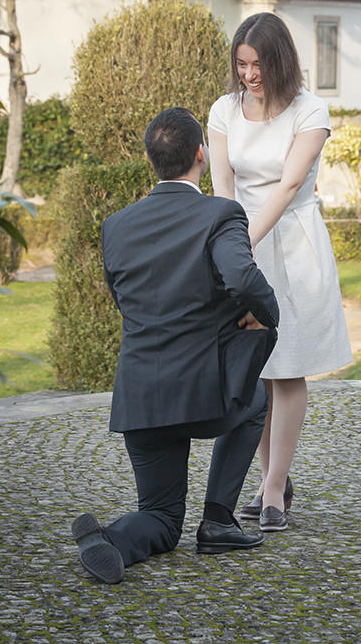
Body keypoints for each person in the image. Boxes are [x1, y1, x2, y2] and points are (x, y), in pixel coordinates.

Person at [71, 107, 279, 583]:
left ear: (151, 160)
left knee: (162, 518)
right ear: (201, 155)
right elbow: (243, 278)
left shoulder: (116, 226)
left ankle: (112, 540)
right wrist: (266, 317)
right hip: (206, 395)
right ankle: (218, 520)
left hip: (140, 396)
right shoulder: (220, 213)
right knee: (256, 400)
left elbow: (125, 298)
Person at [208, 12, 352, 533]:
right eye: (241, 64)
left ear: (280, 61)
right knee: (254, 369)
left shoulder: (310, 111)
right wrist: (229, 244)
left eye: (258, 64)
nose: (249, 74)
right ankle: (275, 475)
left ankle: (272, 490)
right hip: (242, 245)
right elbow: (224, 181)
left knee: (286, 367)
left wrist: (243, 243)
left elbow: (289, 185)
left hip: (292, 244)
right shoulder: (224, 110)